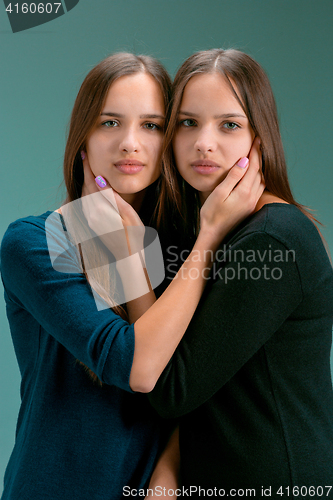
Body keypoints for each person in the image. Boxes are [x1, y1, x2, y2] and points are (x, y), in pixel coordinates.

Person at [0, 52, 264, 499]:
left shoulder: (179, 248)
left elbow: (197, 384)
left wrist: (167, 472)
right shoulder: (36, 242)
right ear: (81, 136)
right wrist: (208, 237)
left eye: (152, 125)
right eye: (109, 123)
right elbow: (131, 363)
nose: (129, 143)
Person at [148, 49, 333, 497]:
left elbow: (168, 387)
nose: (203, 143)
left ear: (260, 137)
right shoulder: (207, 228)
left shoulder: (272, 238)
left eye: (229, 125)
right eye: (187, 123)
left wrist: (111, 247)